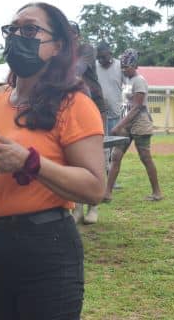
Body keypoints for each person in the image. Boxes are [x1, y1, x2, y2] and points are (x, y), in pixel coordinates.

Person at [0, 2, 106, 319]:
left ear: (57, 46)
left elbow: (95, 187)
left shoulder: (74, 105)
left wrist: (30, 162)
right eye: (12, 29)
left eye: (30, 29)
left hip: (47, 254)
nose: (17, 36)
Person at [107, 48, 163, 202]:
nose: (124, 69)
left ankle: (157, 192)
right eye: (122, 67)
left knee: (145, 157)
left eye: (127, 67)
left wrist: (118, 126)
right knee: (116, 156)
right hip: (126, 123)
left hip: (140, 124)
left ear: (135, 65)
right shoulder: (127, 80)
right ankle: (107, 193)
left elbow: (137, 108)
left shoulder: (139, 81)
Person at [71, 22, 108, 224]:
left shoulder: (86, 50)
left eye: (71, 34)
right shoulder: (61, 53)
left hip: (93, 105)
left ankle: (93, 207)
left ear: (77, 35)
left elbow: (78, 70)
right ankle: (77, 208)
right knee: (74, 156)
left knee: (94, 155)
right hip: (74, 105)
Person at [95, 42, 125, 203]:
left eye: (104, 57)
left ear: (110, 54)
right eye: (99, 58)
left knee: (114, 150)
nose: (101, 60)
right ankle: (101, 178)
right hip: (98, 114)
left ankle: (112, 180)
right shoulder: (93, 66)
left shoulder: (120, 66)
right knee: (100, 148)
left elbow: (130, 82)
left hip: (115, 113)